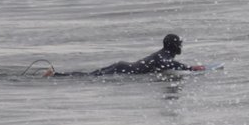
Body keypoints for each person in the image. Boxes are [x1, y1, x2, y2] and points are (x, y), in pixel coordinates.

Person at [44, 34, 205, 77]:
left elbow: (167, 65)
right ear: (175, 46)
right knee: (88, 77)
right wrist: (191, 68)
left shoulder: (163, 53)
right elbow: (167, 64)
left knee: (90, 75)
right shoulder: (164, 57)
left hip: (122, 66)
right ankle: (55, 75)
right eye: (180, 44)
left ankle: (55, 74)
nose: (181, 47)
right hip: (123, 70)